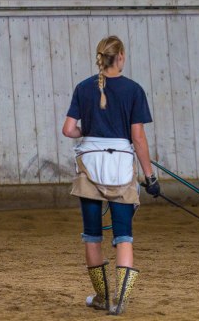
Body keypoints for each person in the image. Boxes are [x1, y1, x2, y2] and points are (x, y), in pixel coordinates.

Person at [61, 35, 161, 315]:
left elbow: (68, 129)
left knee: (92, 236)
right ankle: (121, 301)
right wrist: (150, 176)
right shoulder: (134, 90)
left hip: (90, 166)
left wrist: (88, 134)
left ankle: (102, 296)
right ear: (120, 57)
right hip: (120, 168)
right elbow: (137, 138)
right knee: (123, 237)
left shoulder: (83, 88)